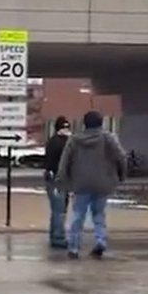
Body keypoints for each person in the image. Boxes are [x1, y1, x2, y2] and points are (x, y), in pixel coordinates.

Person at [56, 111, 126, 260]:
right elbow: (121, 157)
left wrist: (62, 180)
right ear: (101, 123)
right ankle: (100, 240)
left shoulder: (74, 140)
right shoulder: (108, 139)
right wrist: (121, 175)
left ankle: (74, 246)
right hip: (103, 182)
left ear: (84, 124)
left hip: (80, 183)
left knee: (78, 215)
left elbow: (65, 162)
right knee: (99, 215)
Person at [43, 116, 73, 249]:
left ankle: (55, 234)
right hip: (57, 179)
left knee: (58, 209)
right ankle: (58, 237)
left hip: (58, 179)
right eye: (64, 128)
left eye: (67, 128)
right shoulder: (59, 143)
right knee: (59, 209)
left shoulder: (56, 141)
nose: (66, 130)